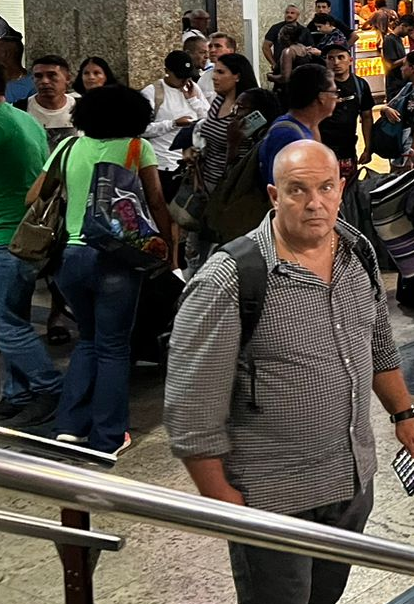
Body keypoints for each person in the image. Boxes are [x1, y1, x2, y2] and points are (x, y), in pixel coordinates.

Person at [166, 140, 414, 604]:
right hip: (273, 495)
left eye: (326, 188)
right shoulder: (231, 278)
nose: (314, 203)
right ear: (273, 195)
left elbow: (376, 342)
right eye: (298, 190)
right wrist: (222, 501)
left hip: (350, 481)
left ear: (342, 187)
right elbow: (192, 408)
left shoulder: (356, 254)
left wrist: (403, 415)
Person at [28, 85, 173, 454]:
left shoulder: (67, 147)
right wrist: (167, 250)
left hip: (68, 259)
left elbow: (33, 197)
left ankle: (70, 426)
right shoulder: (137, 148)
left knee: (88, 340)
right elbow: (155, 201)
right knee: (113, 347)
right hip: (114, 258)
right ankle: (110, 435)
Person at [0, 57, 57, 430]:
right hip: (23, 237)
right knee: (14, 319)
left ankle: (49, 387)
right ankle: (17, 395)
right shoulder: (23, 118)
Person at [141, 49, 210, 193]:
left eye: (187, 76)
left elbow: (208, 118)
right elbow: (142, 129)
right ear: (167, 71)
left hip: (191, 163)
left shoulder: (193, 88)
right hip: (163, 164)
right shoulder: (153, 92)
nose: (184, 81)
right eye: (179, 76)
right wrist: (173, 124)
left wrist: (193, 100)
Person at [193, 54, 260, 196]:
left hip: (234, 188)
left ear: (237, 76)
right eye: (215, 71)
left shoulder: (250, 110)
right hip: (206, 183)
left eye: (221, 72)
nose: (214, 77)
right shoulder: (218, 102)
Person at [258, 64, 338, 182]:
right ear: (322, 97)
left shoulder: (302, 126)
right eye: (334, 92)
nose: (336, 97)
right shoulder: (291, 138)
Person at [322, 41, 375, 185]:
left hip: (348, 150)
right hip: (322, 150)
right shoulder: (320, 85)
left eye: (341, 57)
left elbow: (367, 117)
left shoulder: (360, 85)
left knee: (349, 190)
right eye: (331, 58)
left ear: (350, 61)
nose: (336, 62)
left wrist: (368, 148)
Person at [21, 54, 78, 148]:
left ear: (68, 78)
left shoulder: (82, 108)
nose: (44, 81)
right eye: (38, 76)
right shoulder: (20, 109)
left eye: (52, 75)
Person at [260, 4, 301, 71]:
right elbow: (265, 47)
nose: (289, 15)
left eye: (292, 13)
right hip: (280, 66)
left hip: (298, 68)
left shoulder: (304, 30)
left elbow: (309, 48)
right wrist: (273, 63)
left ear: (297, 15)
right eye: (287, 12)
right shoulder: (275, 28)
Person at [381, 14, 413, 95]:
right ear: (402, 26)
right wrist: (408, 57)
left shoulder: (398, 39)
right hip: (394, 84)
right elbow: (390, 65)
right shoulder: (389, 40)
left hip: (400, 83)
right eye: (408, 30)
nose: (408, 34)